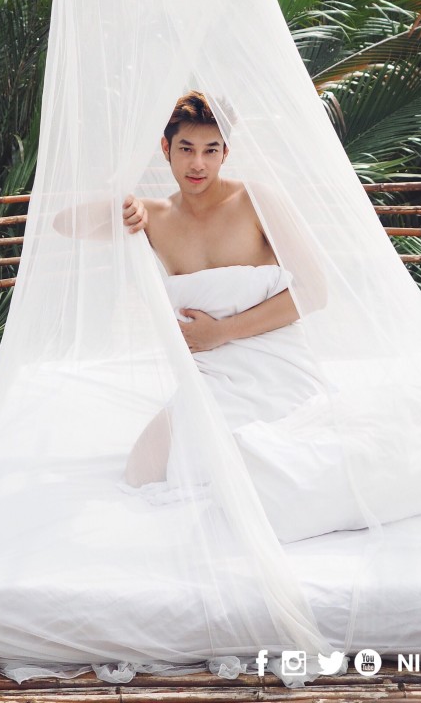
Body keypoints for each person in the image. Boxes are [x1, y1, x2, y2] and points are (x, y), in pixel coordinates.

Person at [120, 91, 325, 488]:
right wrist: (120, 204)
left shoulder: (256, 200)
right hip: (211, 376)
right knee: (141, 473)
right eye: (186, 149)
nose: (198, 163)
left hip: (276, 367)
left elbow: (315, 291)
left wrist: (222, 332)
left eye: (211, 150)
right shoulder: (153, 216)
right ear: (166, 148)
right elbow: (63, 224)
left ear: (225, 152)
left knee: (273, 472)